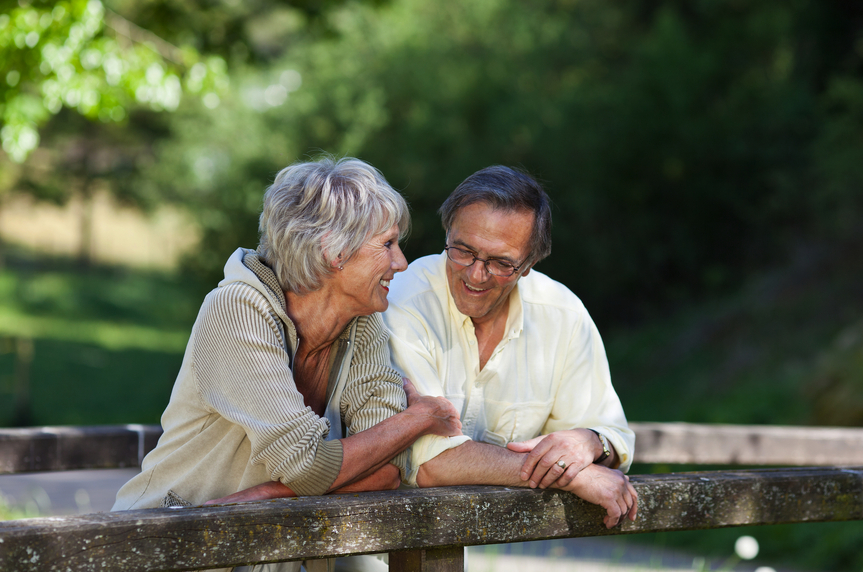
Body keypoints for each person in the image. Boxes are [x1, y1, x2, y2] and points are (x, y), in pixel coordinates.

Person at [113, 157, 461, 571]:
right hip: (165, 548)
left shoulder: (362, 322)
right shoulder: (237, 308)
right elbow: (309, 464)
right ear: (335, 250)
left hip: (260, 549)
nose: (401, 262)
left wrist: (270, 493)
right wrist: (420, 418)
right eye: (387, 244)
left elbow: (387, 470)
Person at [383, 165, 638, 528]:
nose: (475, 274)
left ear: (529, 264)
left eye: (501, 263)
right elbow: (428, 462)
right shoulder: (402, 302)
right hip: (370, 539)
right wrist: (572, 475)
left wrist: (590, 442)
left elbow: (612, 434)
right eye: (463, 250)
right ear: (447, 233)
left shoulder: (562, 314)